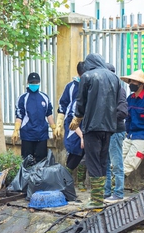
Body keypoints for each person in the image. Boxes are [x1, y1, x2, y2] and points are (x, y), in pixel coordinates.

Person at [69, 53, 125, 208]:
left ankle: (96, 200)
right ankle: (100, 198)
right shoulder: (114, 78)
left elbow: (81, 101)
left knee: (93, 161)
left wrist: (77, 118)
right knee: (102, 161)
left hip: (92, 127)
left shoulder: (87, 76)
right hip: (109, 128)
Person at [11, 72, 56, 163]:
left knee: (42, 162)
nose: (34, 84)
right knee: (27, 162)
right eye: (32, 82)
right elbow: (19, 115)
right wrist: (16, 130)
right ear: (28, 82)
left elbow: (49, 114)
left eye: (36, 82)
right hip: (28, 135)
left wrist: (54, 128)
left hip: (42, 135)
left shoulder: (44, 97)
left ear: (39, 83)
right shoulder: (23, 98)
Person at [55, 62, 86, 174]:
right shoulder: (71, 87)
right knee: (75, 151)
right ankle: (65, 179)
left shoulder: (89, 86)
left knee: (84, 155)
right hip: (73, 125)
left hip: (86, 124)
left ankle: (79, 181)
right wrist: (58, 124)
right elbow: (63, 106)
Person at [104, 63, 128, 203]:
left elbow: (123, 112)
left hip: (116, 131)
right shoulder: (106, 89)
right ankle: (107, 192)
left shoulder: (119, 90)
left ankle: (118, 192)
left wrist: (108, 118)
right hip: (107, 131)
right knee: (106, 164)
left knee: (116, 164)